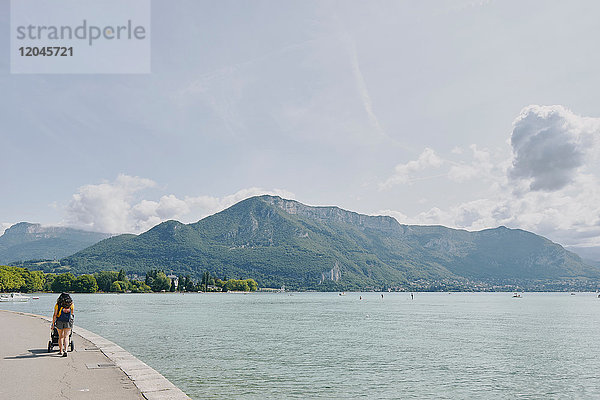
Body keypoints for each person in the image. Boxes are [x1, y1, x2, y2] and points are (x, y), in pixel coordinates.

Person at [51, 293, 74, 357]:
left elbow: (55, 314)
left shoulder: (58, 304)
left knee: (61, 336)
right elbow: (72, 313)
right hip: (68, 321)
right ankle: (65, 350)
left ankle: (60, 351)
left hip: (59, 321)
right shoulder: (71, 304)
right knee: (66, 337)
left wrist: (53, 323)